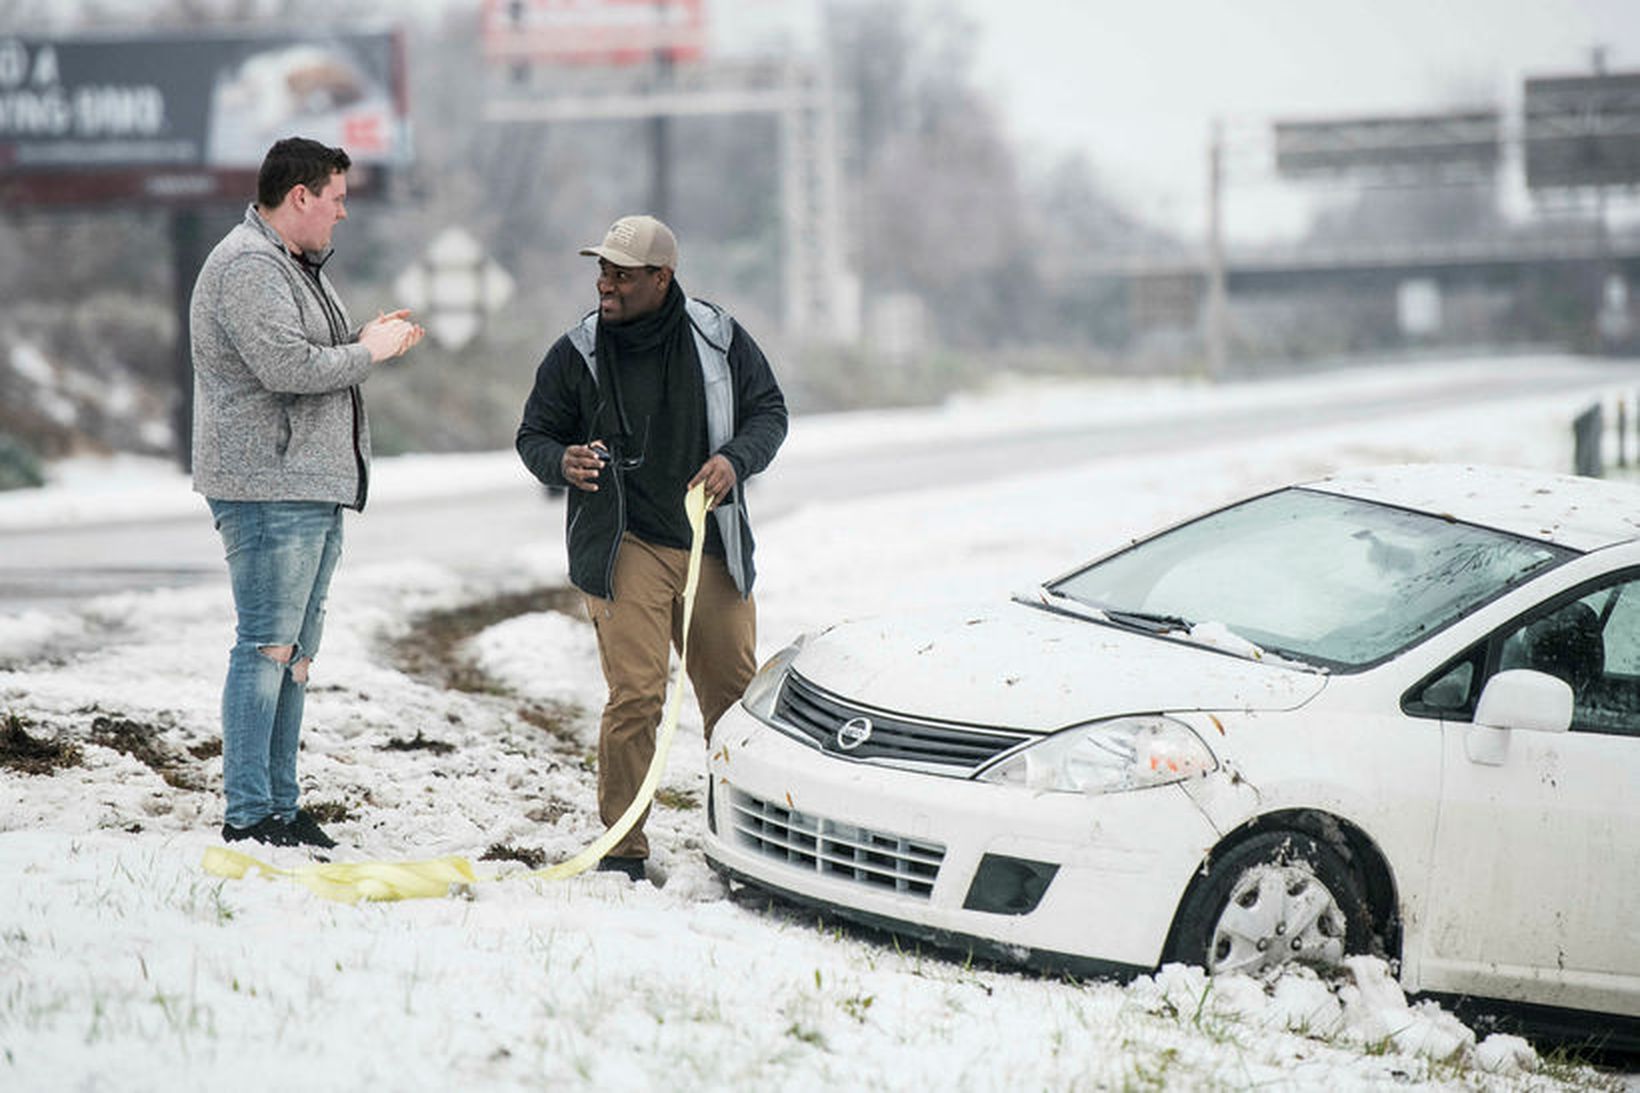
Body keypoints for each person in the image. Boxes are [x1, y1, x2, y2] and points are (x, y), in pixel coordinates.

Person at [516, 215, 788, 881]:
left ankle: (741, 842)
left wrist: (735, 459)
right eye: (601, 270)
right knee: (636, 694)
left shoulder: (719, 338)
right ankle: (623, 849)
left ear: (661, 278)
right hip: (625, 542)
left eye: (621, 273)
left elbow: (770, 412)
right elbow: (534, 435)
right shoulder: (576, 351)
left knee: (732, 700)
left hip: (709, 542)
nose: (604, 283)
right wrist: (563, 462)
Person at [190, 136, 423, 848]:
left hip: (307, 484)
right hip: (267, 487)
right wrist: (367, 353)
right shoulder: (247, 266)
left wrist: (358, 337)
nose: (342, 214)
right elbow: (285, 366)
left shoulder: (291, 264)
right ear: (300, 196)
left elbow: (308, 353)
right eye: (336, 198)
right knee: (265, 646)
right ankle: (249, 812)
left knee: (294, 654)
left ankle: (282, 808)